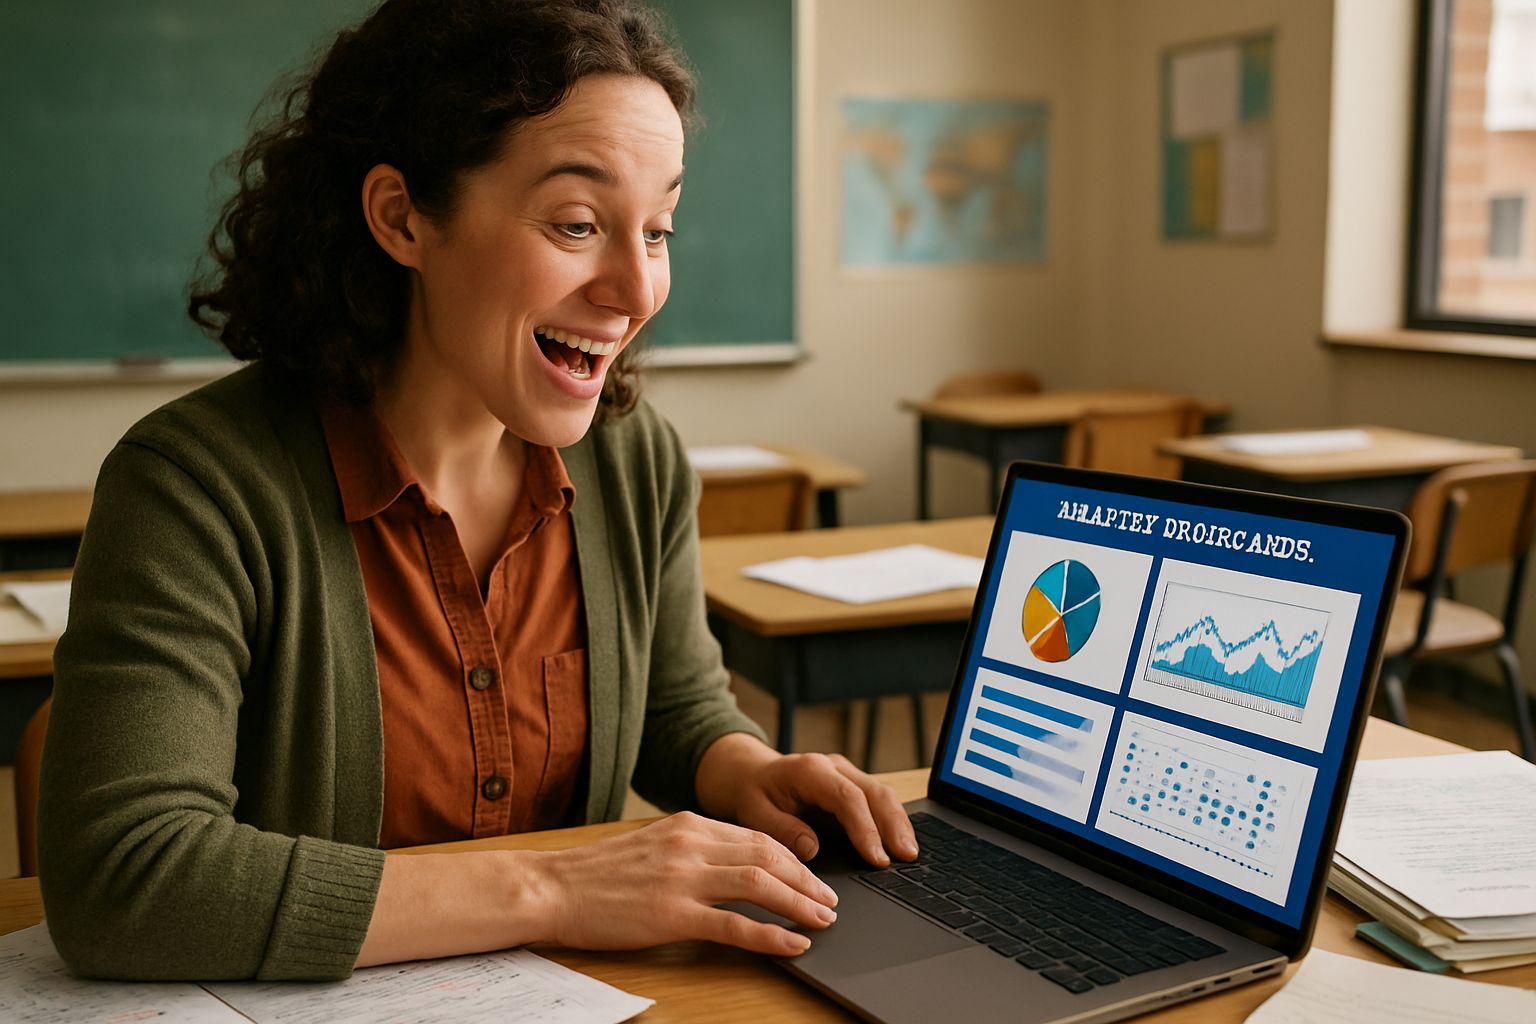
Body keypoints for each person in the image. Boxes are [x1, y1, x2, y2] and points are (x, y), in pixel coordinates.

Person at [38, 0, 916, 981]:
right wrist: (554, 889)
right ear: (401, 217)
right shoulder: (194, 487)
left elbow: (674, 706)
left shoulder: (635, 464)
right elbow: (123, 876)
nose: (637, 290)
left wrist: (746, 768)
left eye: (658, 229)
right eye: (577, 224)